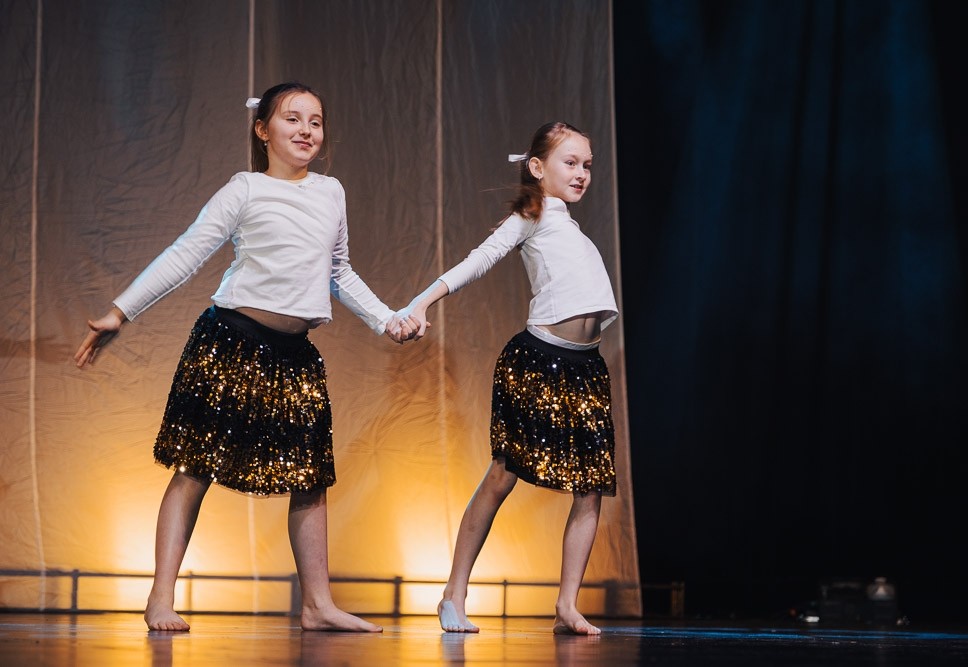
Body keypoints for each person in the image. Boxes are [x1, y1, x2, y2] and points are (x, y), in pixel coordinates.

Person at [74, 82, 416, 632]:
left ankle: (317, 604)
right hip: (231, 343)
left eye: (316, 121)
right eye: (292, 119)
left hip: (295, 356)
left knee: (310, 476)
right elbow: (187, 252)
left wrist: (387, 319)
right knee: (194, 468)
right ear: (263, 130)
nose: (306, 130)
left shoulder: (331, 192)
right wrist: (121, 311)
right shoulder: (246, 189)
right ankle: (160, 598)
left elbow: (339, 271)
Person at [399, 122, 619, 635]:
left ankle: (567, 605)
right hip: (539, 362)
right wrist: (421, 302)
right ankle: (453, 593)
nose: (581, 174)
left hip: (586, 368)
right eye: (570, 162)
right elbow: (480, 260)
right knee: (503, 475)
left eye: (587, 165)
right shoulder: (532, 216)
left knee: (590, 488)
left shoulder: (571, 229)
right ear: (537, 167)